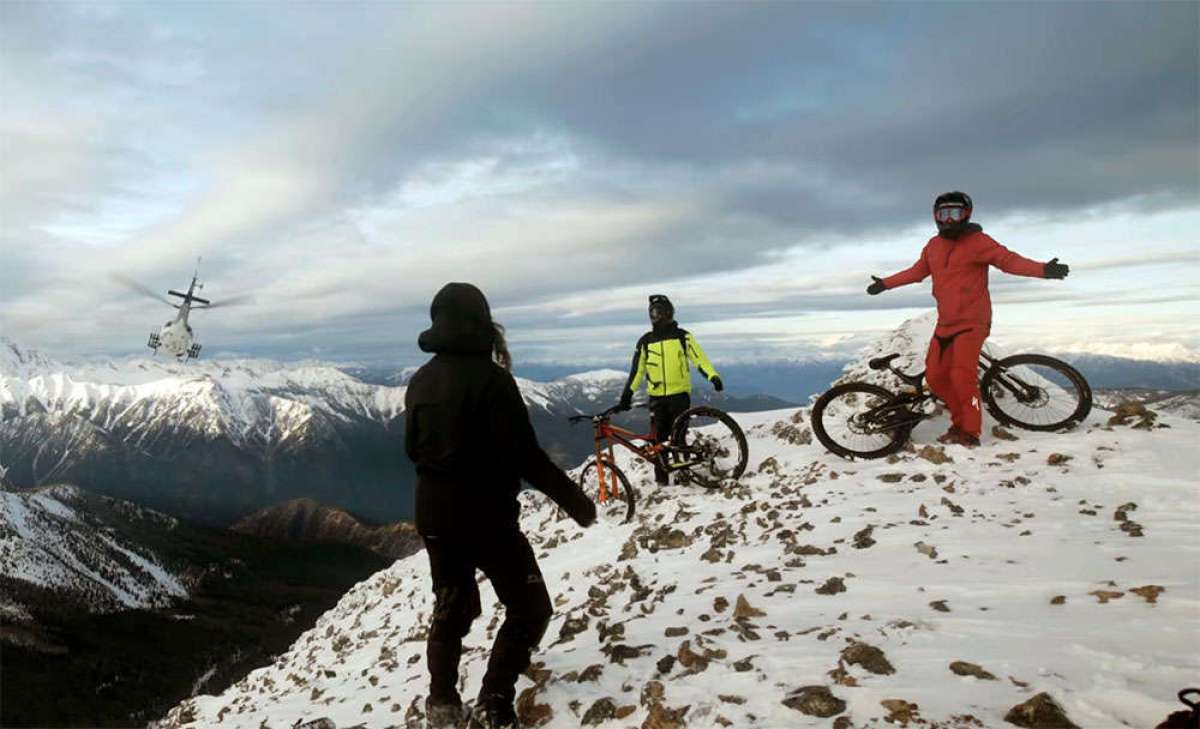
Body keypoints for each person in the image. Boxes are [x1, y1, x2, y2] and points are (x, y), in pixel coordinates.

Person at [405, 283, 597, 729]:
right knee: (529, 607)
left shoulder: (421, 380)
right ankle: (494, 700)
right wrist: (576, 502)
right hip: (486, 518)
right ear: (480, 322)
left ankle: (442, 704)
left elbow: (412, 449)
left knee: (452, 605)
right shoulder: (492, 380)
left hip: (433, 516)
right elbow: (524, 455)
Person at [867, 191, 1070, 447]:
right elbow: (917, 272)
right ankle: (959, 420)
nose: (949, 220)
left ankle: (969, 431)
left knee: (962, 377)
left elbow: (1008, 261)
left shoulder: (978, 242)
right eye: (944, 214)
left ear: (967, 214)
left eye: (955, 213)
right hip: (946, 323)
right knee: (937, 378)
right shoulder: (933, 245)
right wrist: (885, 284)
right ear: (935, 216)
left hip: (973, 321)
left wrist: (1043, 270)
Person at [616, 294, 723, 484]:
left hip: (679, 396)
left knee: (678, 438)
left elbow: (699, 359)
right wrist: (627, 394)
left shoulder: (682, 336)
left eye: (658, 312)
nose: (655, 316)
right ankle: (662, 481)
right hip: (657, 398)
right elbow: (637, 371)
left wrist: (712, 375)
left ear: (668, 313)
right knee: (658, 441)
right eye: (652, 312)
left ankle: (685, 476)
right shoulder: (645, 342)